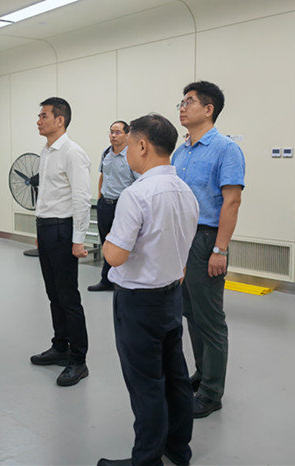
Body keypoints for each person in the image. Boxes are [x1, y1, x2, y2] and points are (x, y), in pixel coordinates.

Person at [97, 114, 199, 466]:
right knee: (175, 376)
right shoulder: (186, 191)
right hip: (171, 295)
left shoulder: (136, 194)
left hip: (138, 304)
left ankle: (146, 459)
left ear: (142, 146)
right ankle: (178, 449)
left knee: (146, 384)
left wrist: (107, 241)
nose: (125, 151)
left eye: (128, 145)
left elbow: (115, 255)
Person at [172, 81, 245, 418]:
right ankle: (202, 373)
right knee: (190, 312)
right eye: (181, 102)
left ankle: (213, 393)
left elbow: (232, 202)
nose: (182, 107)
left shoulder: (226, 149)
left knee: (210, 318)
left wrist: (220, 249)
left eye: (189, 101)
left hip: (206, 239)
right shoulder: (181, 152)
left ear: (208, 109)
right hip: (182, 238)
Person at [29, 97, 91, 387]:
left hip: (63, 231)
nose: (38, 121)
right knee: (53, 293)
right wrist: (39, 229)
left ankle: (78, 360)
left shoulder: (72, 153)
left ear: (60, 120)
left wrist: (78, 240)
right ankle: (60, 346)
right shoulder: (46, 151)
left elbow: (81, 199)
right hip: (46, 229)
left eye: (43, 116)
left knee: (68, 297)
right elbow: (46, 195)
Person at [88, 120, 139, 292]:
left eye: (117, 132)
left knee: (122, 244)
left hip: (122, 206)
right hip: (105, 204)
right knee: (106, 243)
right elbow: (103, 176)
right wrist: (100, 198)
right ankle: (107, 280)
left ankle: (123, 281)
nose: (113, 135)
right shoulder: (106, 153)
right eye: (111, 132)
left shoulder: (131, 156)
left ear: (127, 135)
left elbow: (138, 182)